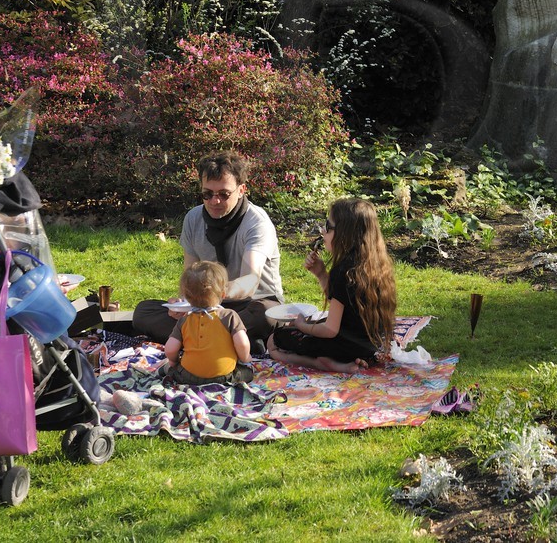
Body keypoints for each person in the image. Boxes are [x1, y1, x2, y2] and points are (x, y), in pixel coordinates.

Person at [131, 152, 283, 347]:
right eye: (207, 194)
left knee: (266, 316)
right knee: (143, 311)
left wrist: (215, 293)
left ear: (241, 190)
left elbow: (250, 281)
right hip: (207, 306)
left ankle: (195, 337)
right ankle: (232, 340)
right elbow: (191, 274)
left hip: (251, 303)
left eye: (224, 194)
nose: (214, 201)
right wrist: (184, 302)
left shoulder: (256, 223)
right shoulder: (193, 219)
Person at [267, 197, 396, 374]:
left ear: (344, 233)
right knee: (313, 324)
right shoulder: (376, 265)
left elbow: (330, 330)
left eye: (328, 226)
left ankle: (324, 364)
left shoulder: (343, 271)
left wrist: (301, 325)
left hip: (345, 347)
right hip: (372, 346)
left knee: (274, 341)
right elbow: (344, 304)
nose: (323, 232)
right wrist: (321, 273)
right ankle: (346, 360)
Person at [162, 260, 254, 386]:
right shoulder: (229, 316)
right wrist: (246, 358)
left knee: (173, 370)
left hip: (188, 376)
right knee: (247, 373)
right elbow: (242, 344)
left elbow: (170, 349)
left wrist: (173, 362)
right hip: (224, 377)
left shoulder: (185, 319)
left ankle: (165, 370)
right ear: (223, 294)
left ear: (187, 297)